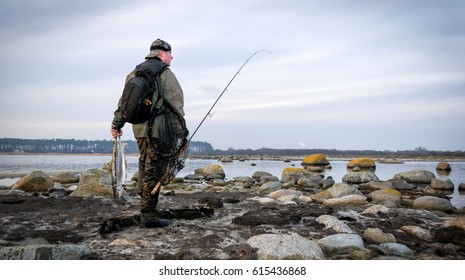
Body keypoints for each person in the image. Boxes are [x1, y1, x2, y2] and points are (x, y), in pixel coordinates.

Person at [110, 39, 189, 228]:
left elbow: (124, 103)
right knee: (154, 170)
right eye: (170, 53)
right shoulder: (165, 74)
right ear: (161, 53)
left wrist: (116, 124)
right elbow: (175, 106)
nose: (172, 57)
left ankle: (145, 206)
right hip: (160, 131)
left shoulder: (133, 73)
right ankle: (148, 215)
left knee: (146, 165)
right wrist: (182, 134)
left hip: (139, 130)